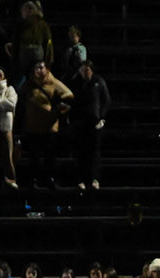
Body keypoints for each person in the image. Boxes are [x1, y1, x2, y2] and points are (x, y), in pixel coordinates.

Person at [22, 61, 72, 189]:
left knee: (50, 156)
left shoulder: (53, 82)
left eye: (41, 67)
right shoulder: (28, 84)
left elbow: (68, 94)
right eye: (36, 68)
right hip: (33, 126)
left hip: (49, 126)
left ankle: (49, 179)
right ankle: (33, 180)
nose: (38, 70)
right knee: (34, 157)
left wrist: (57, 107)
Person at [67, 60, 109, 191]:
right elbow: (70, 100)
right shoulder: (76, 83)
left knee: (94, 152)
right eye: (82, 70)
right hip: (80, 123)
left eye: (87, 70)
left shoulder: (98, 81)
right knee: (80, 153)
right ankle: (81, 179)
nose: (85, 73)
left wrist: (102, 117)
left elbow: (106, 100)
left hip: (95, 123)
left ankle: (94, 179)